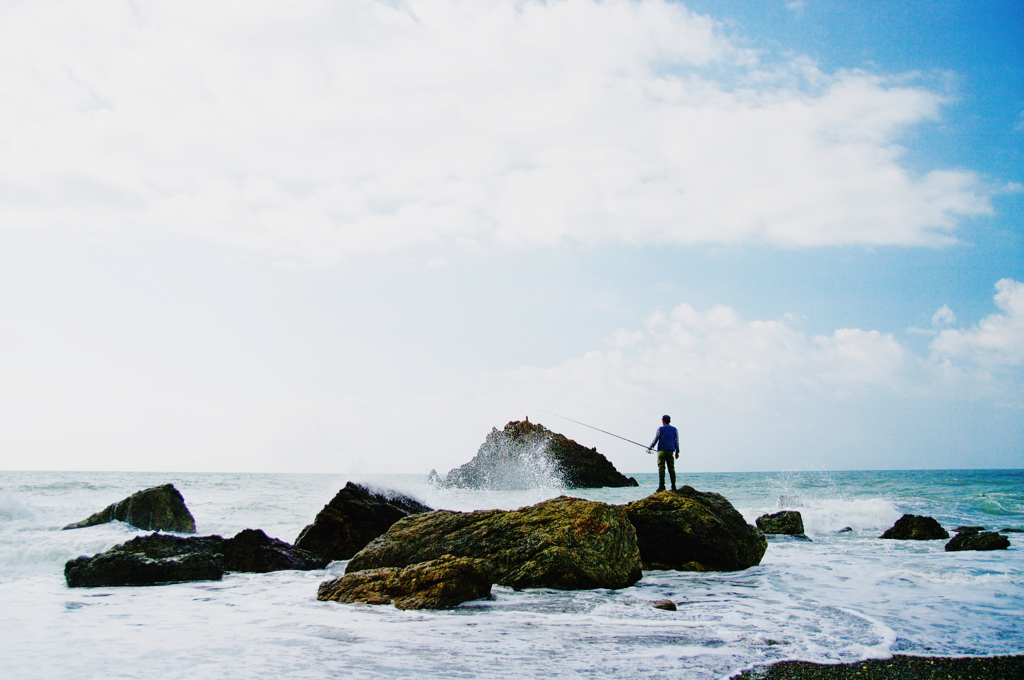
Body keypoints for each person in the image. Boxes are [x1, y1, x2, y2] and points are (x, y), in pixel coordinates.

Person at [647, 415, 679, 492]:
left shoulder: (660, 429)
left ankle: (662, 486)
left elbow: (656, 438)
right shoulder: (674, 429)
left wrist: (650, 447)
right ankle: (673, 486)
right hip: (671, 450)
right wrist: (677, 451)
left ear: (663, 421)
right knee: (671, 468)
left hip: (661, 450)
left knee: (661, 468)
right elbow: (676, 441)